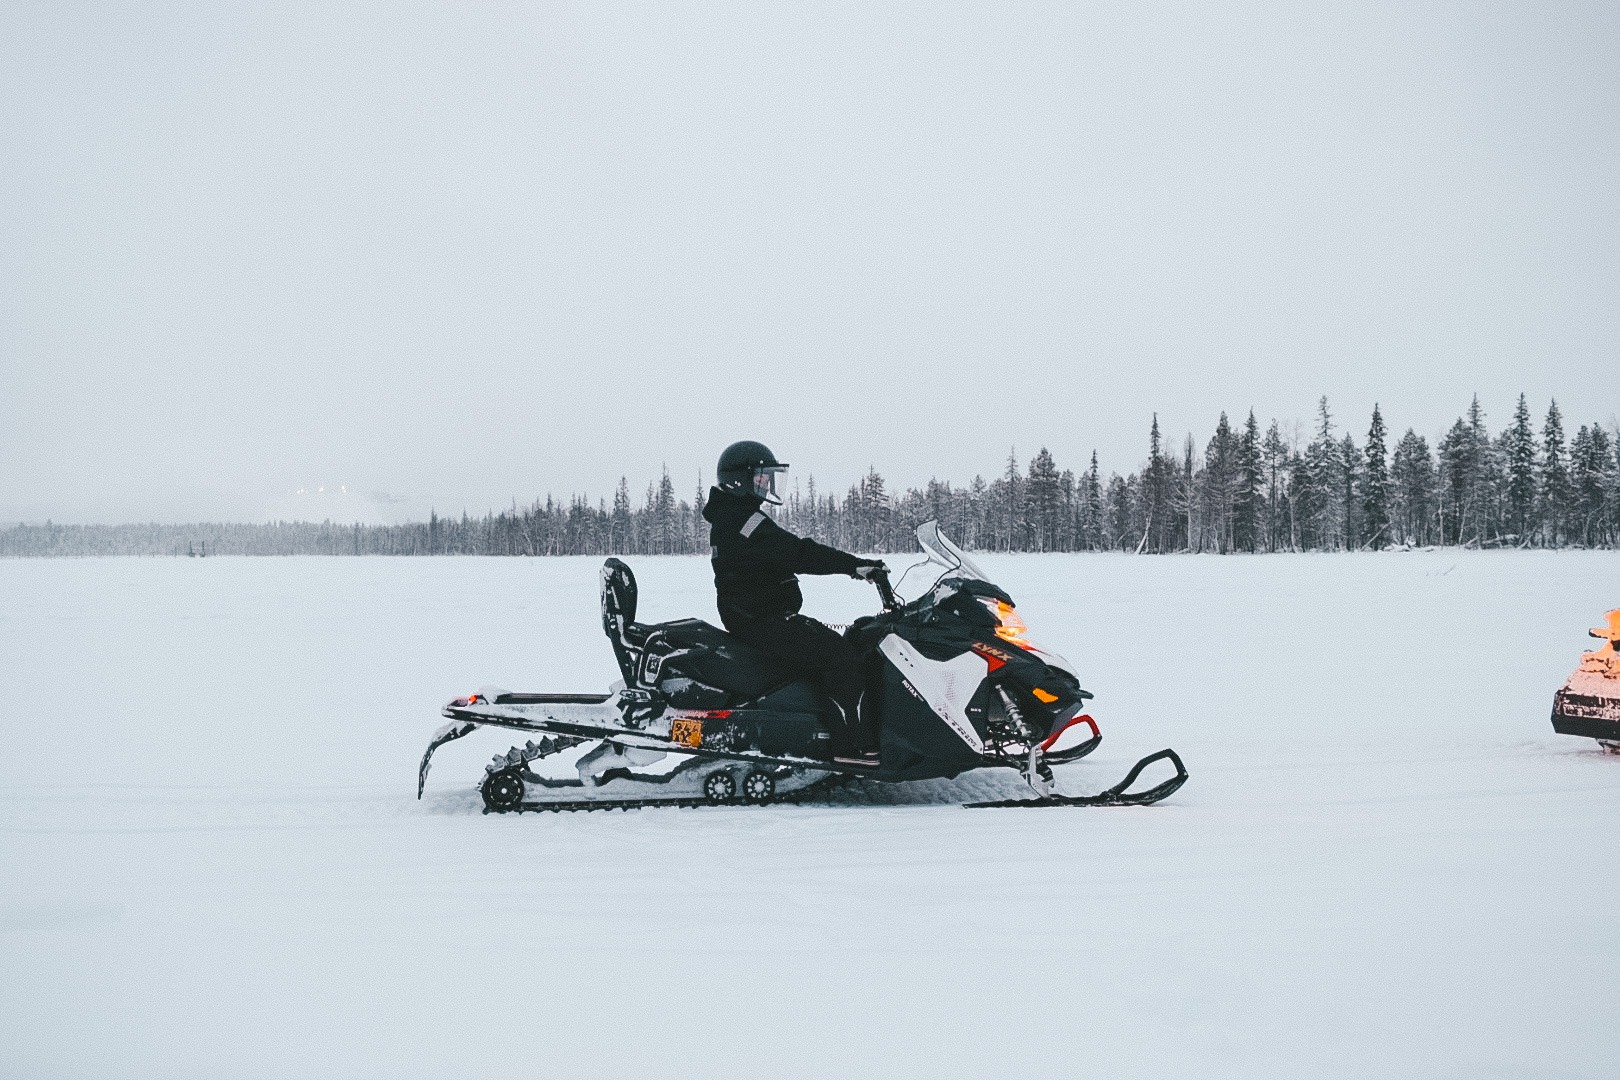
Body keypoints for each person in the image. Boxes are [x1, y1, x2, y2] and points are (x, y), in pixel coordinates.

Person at [702, 440, 886, 757]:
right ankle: (852, 745)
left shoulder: (734, 515)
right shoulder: (744, 521)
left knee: (839, 645)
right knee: (839, 656)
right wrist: (853, 566)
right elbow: (797, 552)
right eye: (762, 477)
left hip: (754, 614)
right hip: (761, 618)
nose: (767, 484)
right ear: (739, 480)